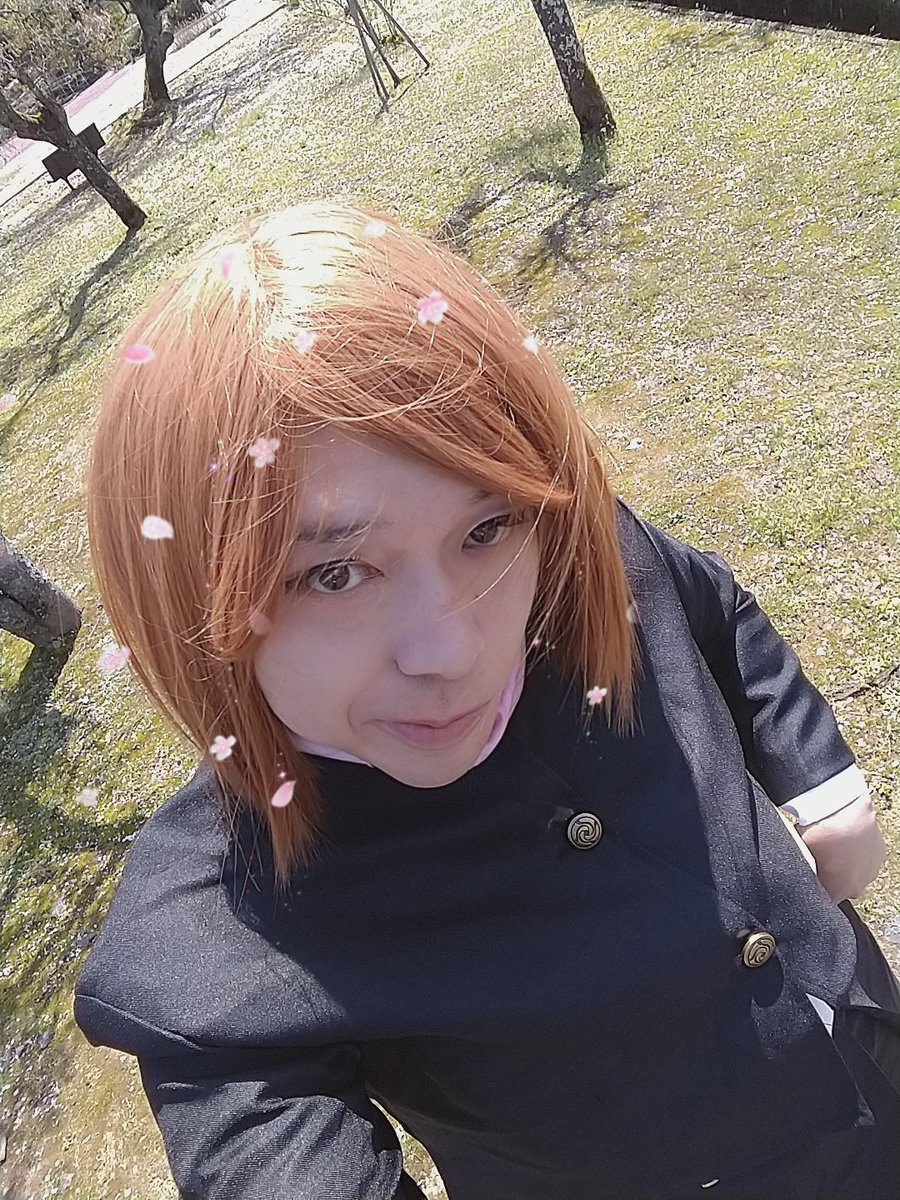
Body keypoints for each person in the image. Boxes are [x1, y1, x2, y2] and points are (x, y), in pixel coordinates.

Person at [73, 201, 900, 1200]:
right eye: (335, 574)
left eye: (482, 530)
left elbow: (711, 608)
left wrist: (822, 780)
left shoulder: (566, 553)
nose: (455, 646)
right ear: (186, 605)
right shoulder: (215, 948)